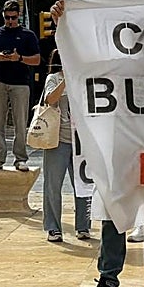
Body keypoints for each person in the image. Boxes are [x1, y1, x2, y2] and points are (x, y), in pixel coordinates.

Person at [49, 0, 144, 287]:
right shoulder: (115, 61)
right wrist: (62, 24)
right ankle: (108, 279)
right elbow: (79, 62)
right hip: (120, 147)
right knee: (113, 213)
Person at [0, 0, 41, 172]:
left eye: (13, 18)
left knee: (20, 123)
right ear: (3, 16)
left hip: (21, 83)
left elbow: (36, 60)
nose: (10, 21)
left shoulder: (28, 35)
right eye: (7, 17)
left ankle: (20, 158)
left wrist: (19, 58)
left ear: (19, 16)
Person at [39, 49, 91, 242]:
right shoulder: (53, 78)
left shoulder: (86, 78)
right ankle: (53, 227)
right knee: (53, 184)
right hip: (58, 139)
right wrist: (66, 79)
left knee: (83, 184)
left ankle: (83, 226)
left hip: (81, 141)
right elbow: (49, 99)